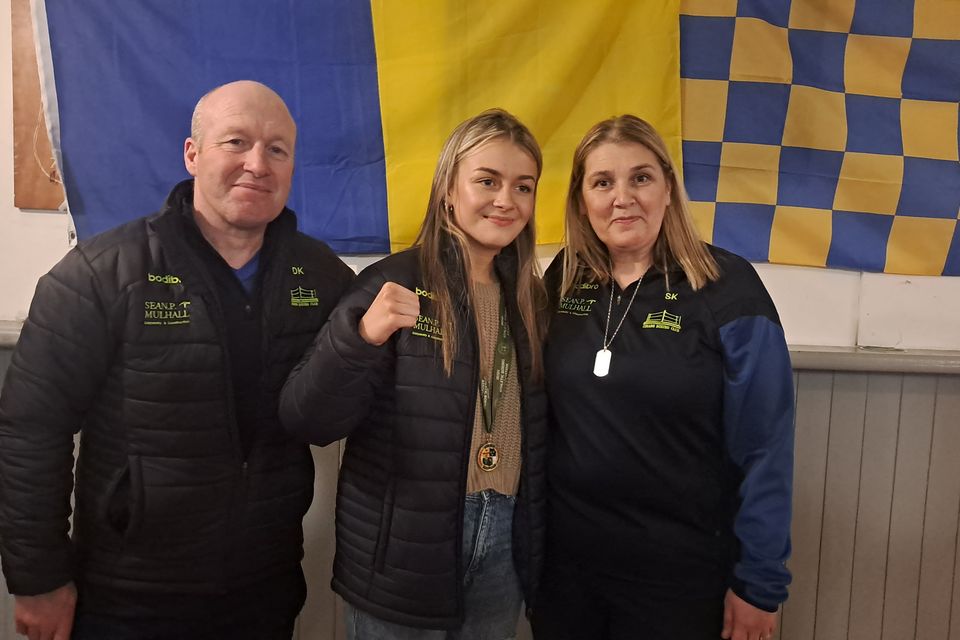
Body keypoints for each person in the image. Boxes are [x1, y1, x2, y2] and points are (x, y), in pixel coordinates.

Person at [0, 80, 354, 640]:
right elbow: (28, 432)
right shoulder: (99, 273)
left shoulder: (320, 276)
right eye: (235, 142)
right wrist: (39, 579)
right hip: (128, 595)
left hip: (264, 588)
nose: (256, 163)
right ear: (192, 154)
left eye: (277, 149)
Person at [280, 108, 548, 639]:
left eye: (524, 186)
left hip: (505, 545)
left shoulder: (532, 299)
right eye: (487, 181)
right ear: (449, 188)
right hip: (402, 551)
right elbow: (306, 419)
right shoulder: (391, 283)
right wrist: (360, 340)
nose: (506, 200)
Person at [531, 115, 794, 640]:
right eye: (602, 182)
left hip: (679, 577)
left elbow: (765, 445)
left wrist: (759, 583)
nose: (622, 197)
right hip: (566, 573)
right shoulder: (563, 279)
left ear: (669, 190)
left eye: (641, 178)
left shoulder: (728, 287)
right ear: (582, 200)